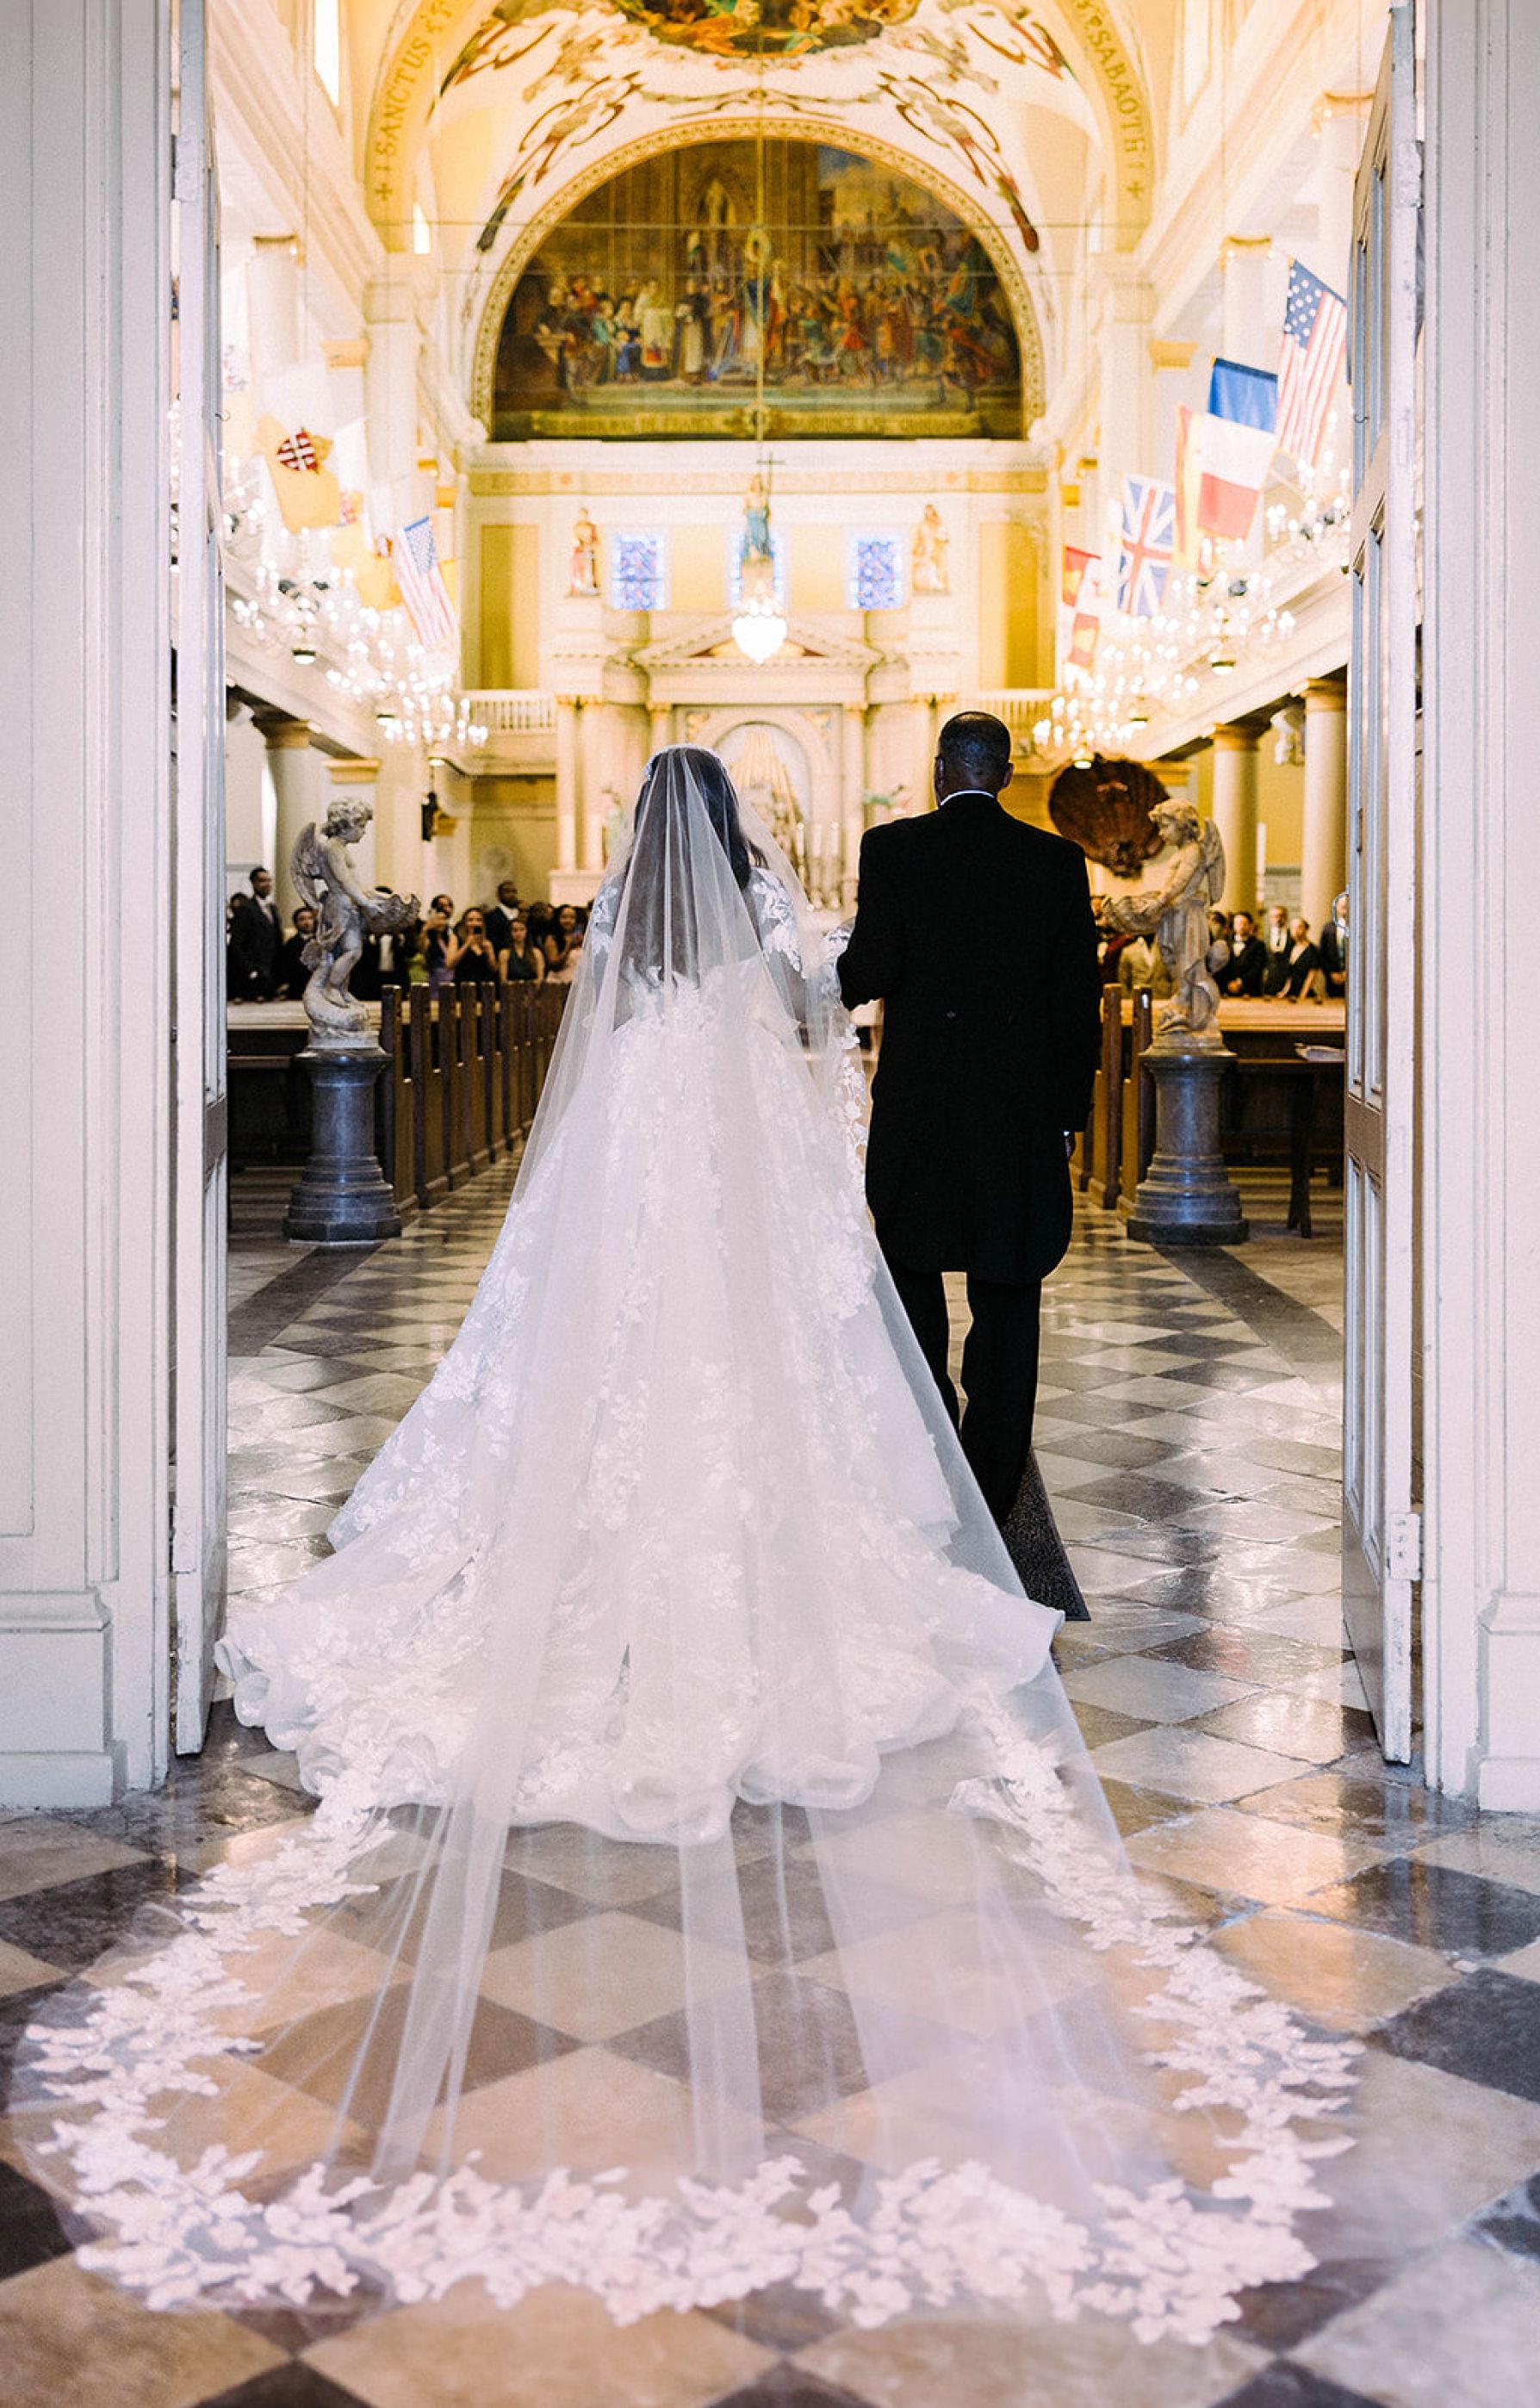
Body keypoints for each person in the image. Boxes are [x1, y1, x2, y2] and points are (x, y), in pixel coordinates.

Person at [16, 748, 1356, 2351]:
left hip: (663, 1216)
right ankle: (924, 1511)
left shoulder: (622, 970)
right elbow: (822, 1025)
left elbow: (638, 1123)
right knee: (864, 1362)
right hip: (777, 1205)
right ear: (735, 844)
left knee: (616, 1387)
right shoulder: (784, 938)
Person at [838, 711, 1101, 1528]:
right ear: (1007, 776)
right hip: (1018, 1120)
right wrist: (1067, 1115)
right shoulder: (1055, 862)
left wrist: (807, 980)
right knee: (1009, 1290)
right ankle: (992, 1484)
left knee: (914, 1269)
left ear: (941, 770)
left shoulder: (894, 850)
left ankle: (932, 1448)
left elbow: (870, 969)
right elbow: (1076, 1002)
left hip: (921, 1114)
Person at [227, 865, 281, 1000]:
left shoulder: (272, 909)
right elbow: (237, 944)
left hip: (269, 973)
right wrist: (250, 970)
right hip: (253, 974)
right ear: (254, 883)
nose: (267, 884)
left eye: (269, 880)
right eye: (262, 881)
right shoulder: (245, 909)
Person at [275, 903, 318, 1000]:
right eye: (302, 919)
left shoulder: (323, 943)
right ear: (296, 923)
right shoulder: (289, 945)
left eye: (310, 918)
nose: (307, 922)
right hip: (296, 992)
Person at [1220, 909, 1268, 997]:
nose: (1241, 926)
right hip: (1227, 991)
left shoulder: (1258, 945)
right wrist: (1228, 983)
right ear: (1233, 925)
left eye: (1244, 923)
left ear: (1250, 926)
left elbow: (1257, 968)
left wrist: (1240, 982)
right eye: (1238, 923)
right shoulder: (1225, 943)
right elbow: (1221, 967)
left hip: (1251, 991)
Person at [449, 906, 500, 984]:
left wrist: (490, 952)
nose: (474, 923)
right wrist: (466, 945)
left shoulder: (487, 941)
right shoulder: (456, 938)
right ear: (465, 923)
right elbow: (450, 964)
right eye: (470, 920)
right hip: (464, 986)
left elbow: (494, 969)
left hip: (484, 986)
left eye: (478, 920)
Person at [1283, 914, 1326, 998]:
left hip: (1305, 993)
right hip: (1291, 993)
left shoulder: (1313, 950)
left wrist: (1302, 996)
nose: (1296, 930)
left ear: (1306, 929)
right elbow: (1290, 975)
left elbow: (1311, 976)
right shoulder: (1290, 947)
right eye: (1293, 927)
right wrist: (1284, 991)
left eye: (1299, 927)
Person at [498, 905, 543, 982]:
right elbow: (503, 980)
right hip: (512, 990)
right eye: (515, 930)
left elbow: (540, 978)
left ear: (526, 931)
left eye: (522, 929)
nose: (519, 933)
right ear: (510, 933)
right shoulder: (504, 953)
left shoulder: (536, 952)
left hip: (531, 990)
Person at [484, 879, 523, 963]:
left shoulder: (522, 914)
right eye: (507, 892)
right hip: (499, 961)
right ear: (499, 895)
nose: (512, 895)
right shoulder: (491, 916)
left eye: (514, 892)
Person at [1320, 891, 1350, 995]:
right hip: (1333, 980)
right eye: (1342, 906)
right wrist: (1331, 973)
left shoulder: (1359, 928)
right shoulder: (1328, 928)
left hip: (1354, 980)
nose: (1344, 909)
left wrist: (1349, 971)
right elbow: (1323, 954)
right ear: (1336, 907)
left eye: (1347, 906)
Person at [1262, 903, 1293, 992]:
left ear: (1286, 918)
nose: (1278, 919)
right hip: (1269, 980)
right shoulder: (1264, 938)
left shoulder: (1292, 936)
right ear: (1270, 919)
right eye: (1275, 916)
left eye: (1281, 916)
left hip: (1288, 980)